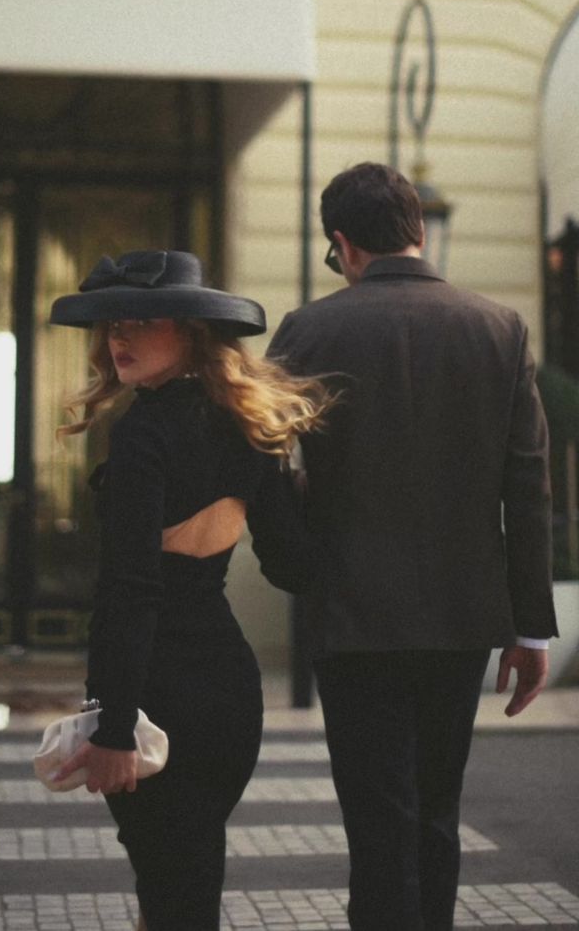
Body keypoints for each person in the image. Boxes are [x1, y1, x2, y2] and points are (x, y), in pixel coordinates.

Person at [267, 162, 558, 931]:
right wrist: (530, 626)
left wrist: (297, 564)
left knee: (377, 821)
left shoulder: (309, 330)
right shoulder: (500, 328)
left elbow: (262, 463)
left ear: (341, 243)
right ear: (418, 229)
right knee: (437, 809)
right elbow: (527, 489)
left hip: (353, 615)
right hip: (462, 619)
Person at [48, 249, 331, 931]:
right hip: (230, 699)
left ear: (192, 331)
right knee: (187, 875)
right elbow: (293, 567)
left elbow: (131, 592)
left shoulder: (143, 432)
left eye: (143, 320)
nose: (119, 337)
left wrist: (114, 727)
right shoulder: (250, 429)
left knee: (171, 883)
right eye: (114, 322)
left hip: (159, 696)